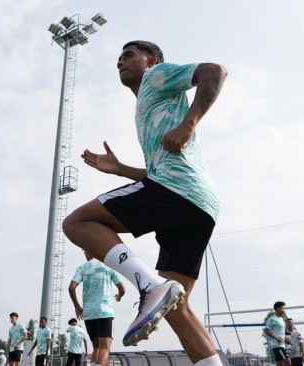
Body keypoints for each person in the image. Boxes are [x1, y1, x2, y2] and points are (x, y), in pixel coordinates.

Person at [61, 40, 227, 366]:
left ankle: (149, 285)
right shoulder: (146, 106)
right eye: (118, 58)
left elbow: (215, 72)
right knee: (177, 309)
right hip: (199, 203)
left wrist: (189, 123)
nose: (120, 62)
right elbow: (153, 171)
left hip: (177, 189)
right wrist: (119, 168)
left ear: (150, 60)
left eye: (128, 55)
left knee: (76, 223)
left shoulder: (157, 76)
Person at [68, 251, 124, 366]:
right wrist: (119, 295)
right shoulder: (108, 266)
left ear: (89, 251)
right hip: (104, 312)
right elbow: (122, 289)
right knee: (105, 348)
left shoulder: (82, 268)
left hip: (88, 314)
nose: (84, 254)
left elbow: (71, 288)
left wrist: (77, 306)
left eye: (84, 252)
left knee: (96, 348)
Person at [263, 301, 291, 366]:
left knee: (279, 363)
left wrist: (285, 338)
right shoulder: (272, 319)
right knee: (288, 362)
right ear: (277, 309)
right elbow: (266, 330)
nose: (284, 310)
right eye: (282, 308)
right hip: (277, 345)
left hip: (282, 344)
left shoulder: (281, 319)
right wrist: (276, 338)